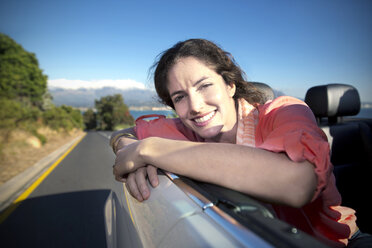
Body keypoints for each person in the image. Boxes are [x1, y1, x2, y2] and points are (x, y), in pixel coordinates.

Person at [110, 39, 370, 247]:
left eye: (204, 86)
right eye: (180, 97)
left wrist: (149, 150)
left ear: (230, 85)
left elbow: (297, 184)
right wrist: (128, 148)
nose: (196, 107)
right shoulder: (184, 129)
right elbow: (124, 133)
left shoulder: (285, 112)